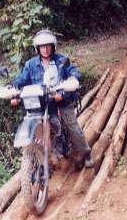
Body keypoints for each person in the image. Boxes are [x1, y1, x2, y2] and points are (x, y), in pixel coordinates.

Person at [13, 29, 94, 169]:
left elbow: (74, 72)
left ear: (53, 46)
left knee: (73, 128)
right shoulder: (30, 65)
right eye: (42, 46)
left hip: (60, 101)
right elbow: (21, 80)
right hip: (39, 105)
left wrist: (73, 78)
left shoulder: (61, 60)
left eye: (48, 45)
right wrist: (13, 86)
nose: (45, 49)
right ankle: (40, 159)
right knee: (35, 131)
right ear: (37, 48)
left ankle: (86, 153)